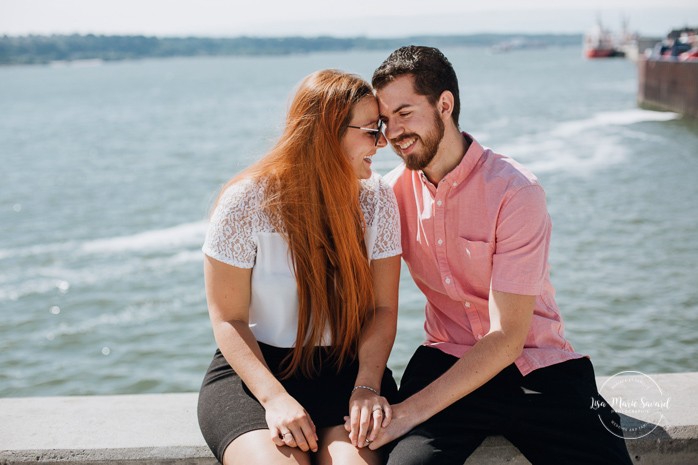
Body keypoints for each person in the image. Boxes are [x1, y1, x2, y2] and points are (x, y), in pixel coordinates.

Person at [362, 46, 634, 464]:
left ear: (445, 105)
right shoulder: (390, 194)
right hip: (446, 362)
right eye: (385, 121)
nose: (393, 132)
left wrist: (407, 414)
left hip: (536, 368)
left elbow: (507, 337)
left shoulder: (515, 191)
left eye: (405, 112)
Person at [197, 69, 402, 465]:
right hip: (257, 378)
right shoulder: (245, 203)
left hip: (351, 374)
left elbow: (383, 309)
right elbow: (227, 320)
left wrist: (368, 386)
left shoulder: (377, 199)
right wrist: (274, 398)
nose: (383, 142)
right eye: (372, 130)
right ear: (328, 132)